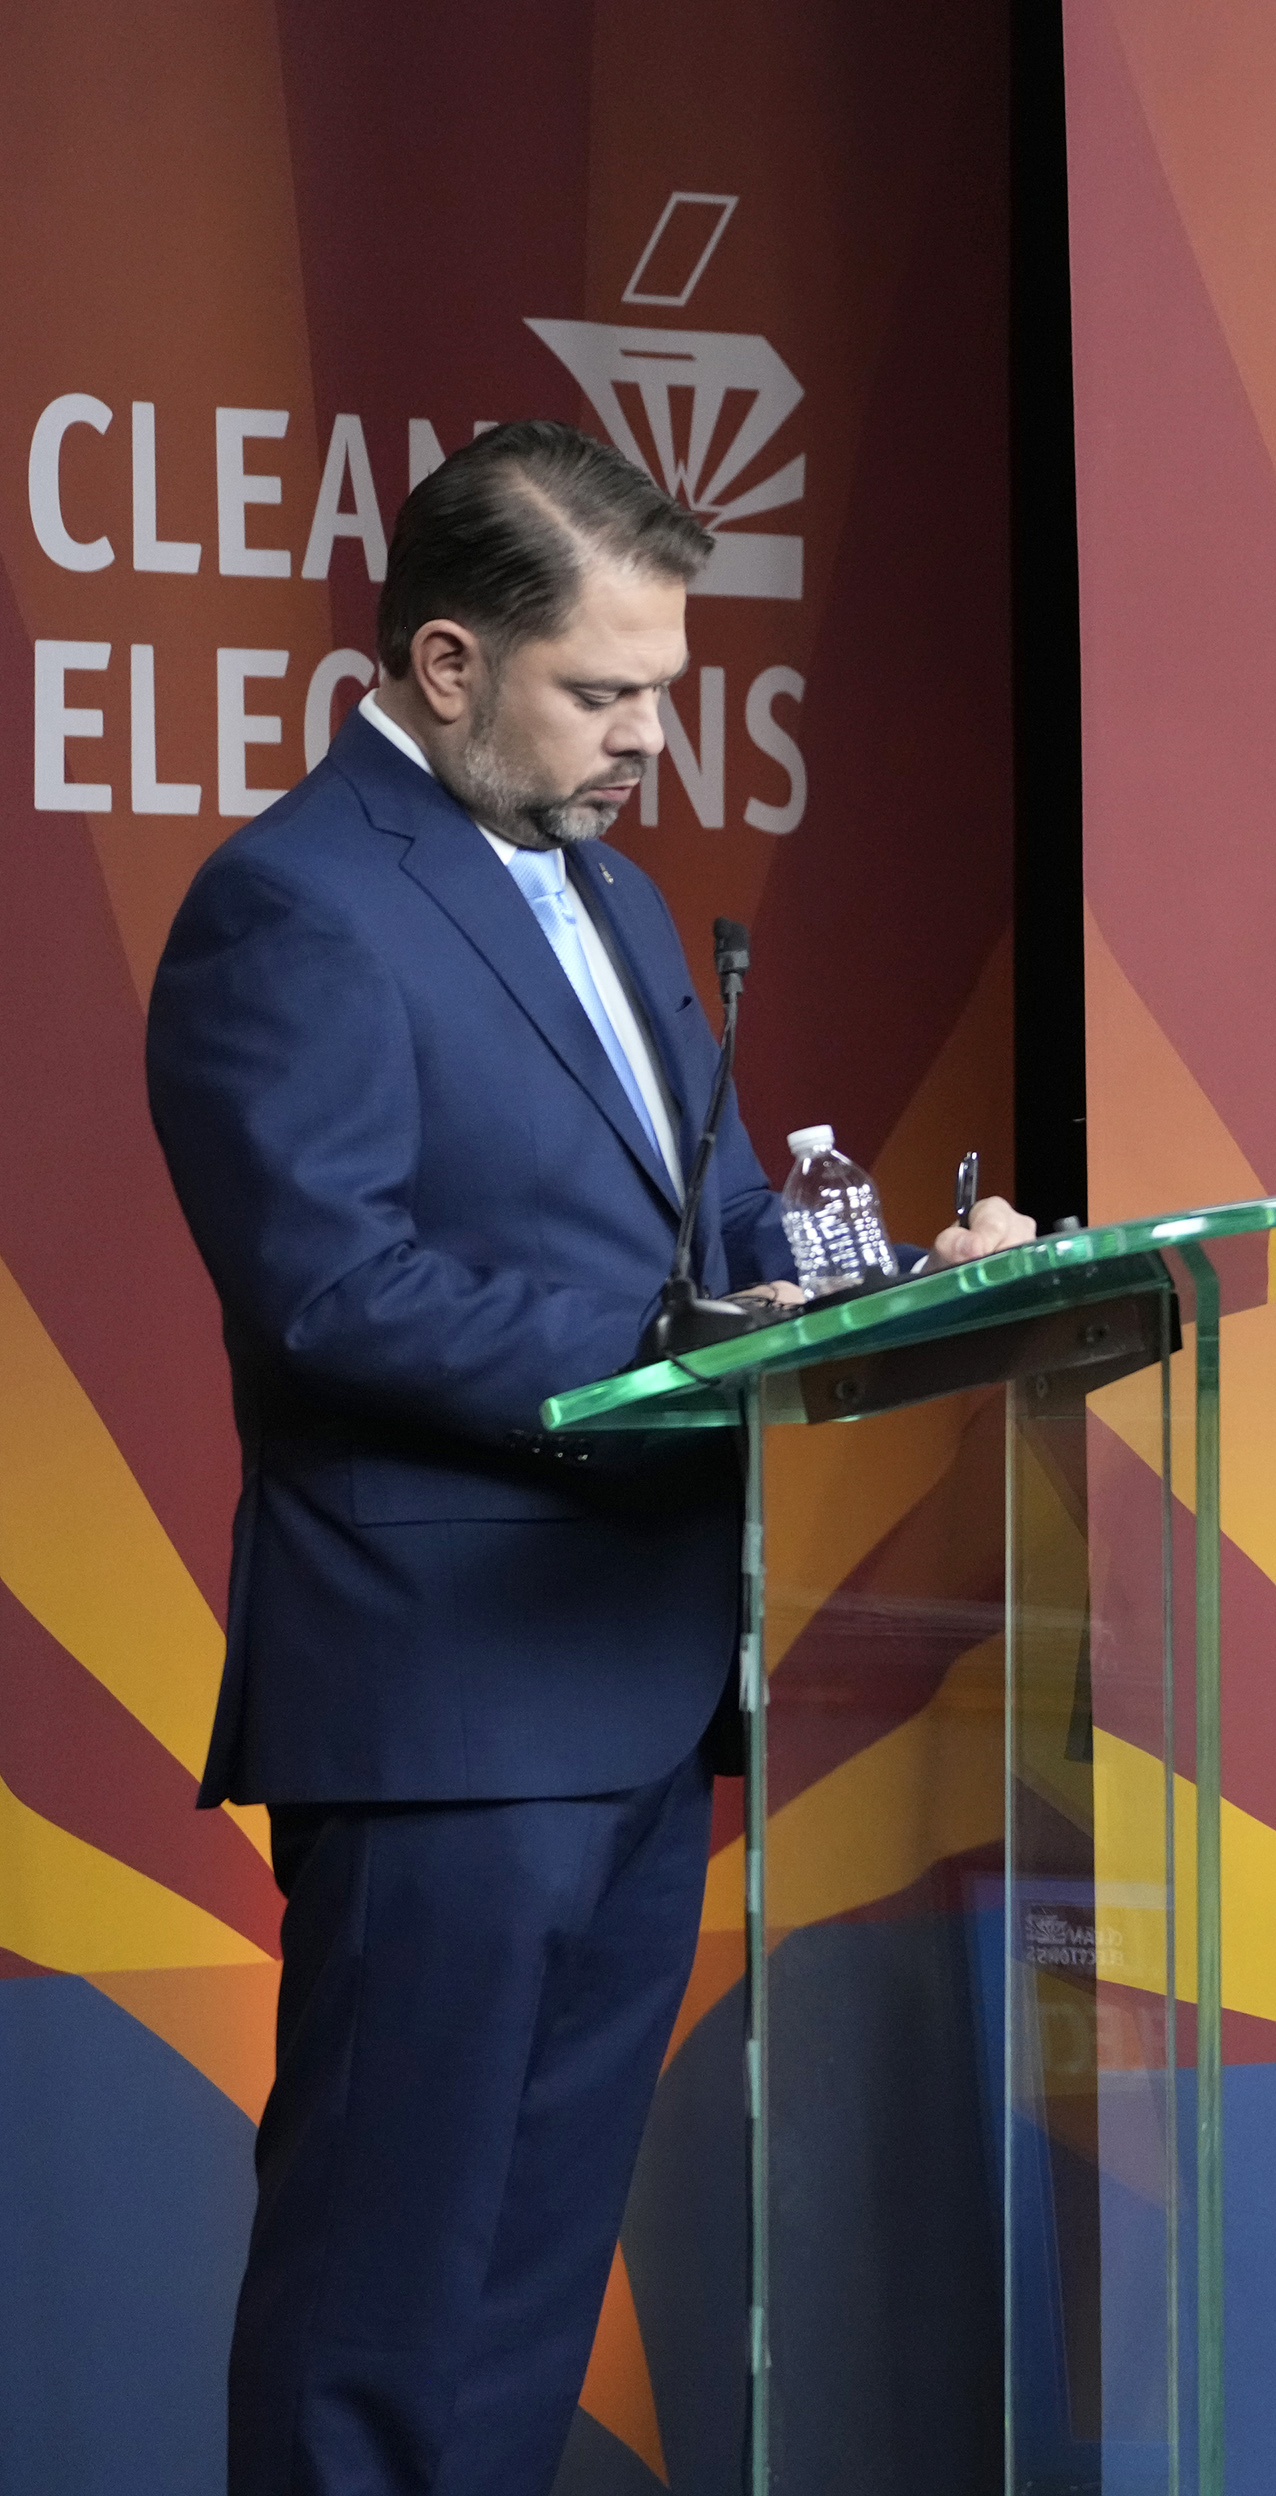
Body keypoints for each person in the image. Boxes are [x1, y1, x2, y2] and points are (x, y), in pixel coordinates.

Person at [144, 420, 1035, 2496]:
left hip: (642, 1695)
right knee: (387, 2284)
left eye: (662, 689)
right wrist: (658, 1346)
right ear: (446, 665)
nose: (648, 736)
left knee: (528, 2285)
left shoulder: (622, 899)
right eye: (604, 691)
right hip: (442, 1700)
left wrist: (922, 1278)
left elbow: (714, 1246)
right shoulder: (289, 906)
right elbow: (330, 1284)